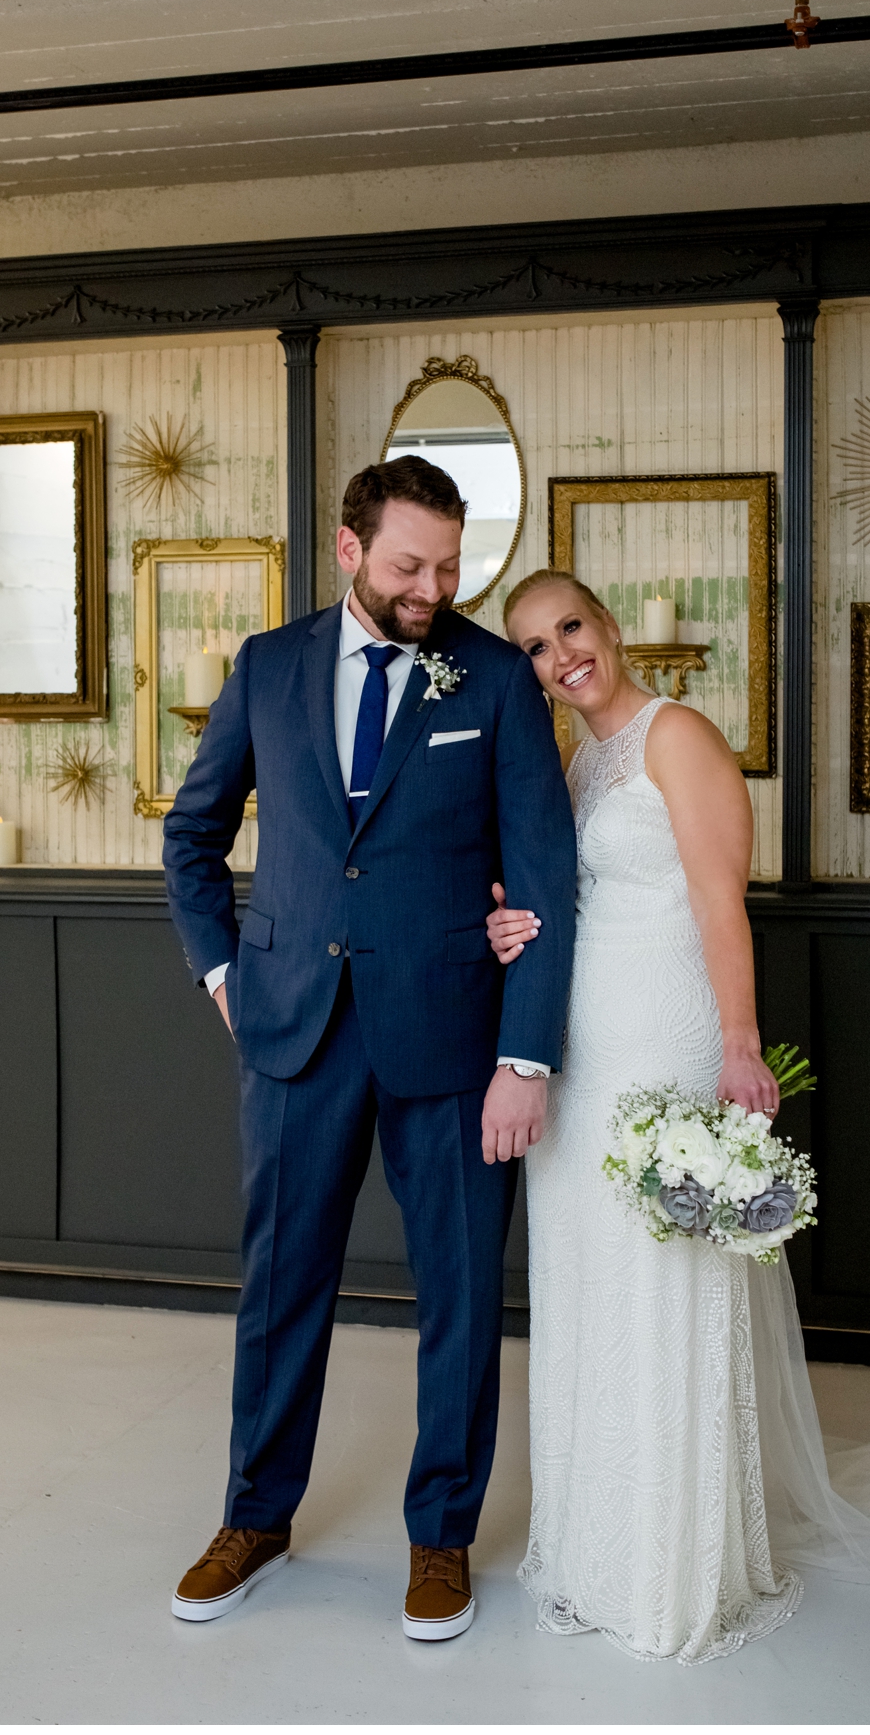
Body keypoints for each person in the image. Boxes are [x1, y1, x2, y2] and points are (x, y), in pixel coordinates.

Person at [490, 569, 870, 1664]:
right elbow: (561, 893)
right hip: (587, 1043)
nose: (561, 656)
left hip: (667, 1035)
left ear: (610, 623)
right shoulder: (576, 759)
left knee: (666, 1278)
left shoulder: (676, 733)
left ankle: (674, 1564)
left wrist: (738, 1039)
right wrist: (510, 929)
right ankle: (599, 1543)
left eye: (570, 627)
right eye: (537, 647)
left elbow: (718, 896)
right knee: (594, 1278)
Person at [159, 456, 577, 1636]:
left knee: (457, 1297)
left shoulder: (495, 679)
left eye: (448, 564)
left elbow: (544, 879)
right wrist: (226, 969)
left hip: (453, 1042)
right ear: (349, 550)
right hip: (292, 1031)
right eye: (409, 563)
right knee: (280, 1287)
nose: (432, 585)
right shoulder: (267, 667)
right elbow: (191, 837)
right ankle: (255, 1516)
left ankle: (439, 1536)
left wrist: (526, 1055)